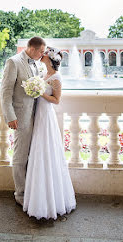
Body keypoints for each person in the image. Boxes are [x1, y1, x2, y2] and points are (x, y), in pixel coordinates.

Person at [23, 47, 76, 220]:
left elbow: (57, 100)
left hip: (47, 116)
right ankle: (38, 198)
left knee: (47, 151)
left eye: (45, 54)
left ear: (51, 59)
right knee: (37, 151)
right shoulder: (43, 74)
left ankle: (52, 201)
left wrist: (40, 93)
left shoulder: (56, 78)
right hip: (39, 115)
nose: (42, 55)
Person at [0, 36, 46, 206]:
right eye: (41, 51)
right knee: (20, 156)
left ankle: (32, 190)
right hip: (21, 117)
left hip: (38, 115)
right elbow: (5, 92)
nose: (43, 54)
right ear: (32, 49)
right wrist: (10, 116)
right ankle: (21, 194)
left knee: (33, 154)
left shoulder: (38, 63)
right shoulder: (13, 62)